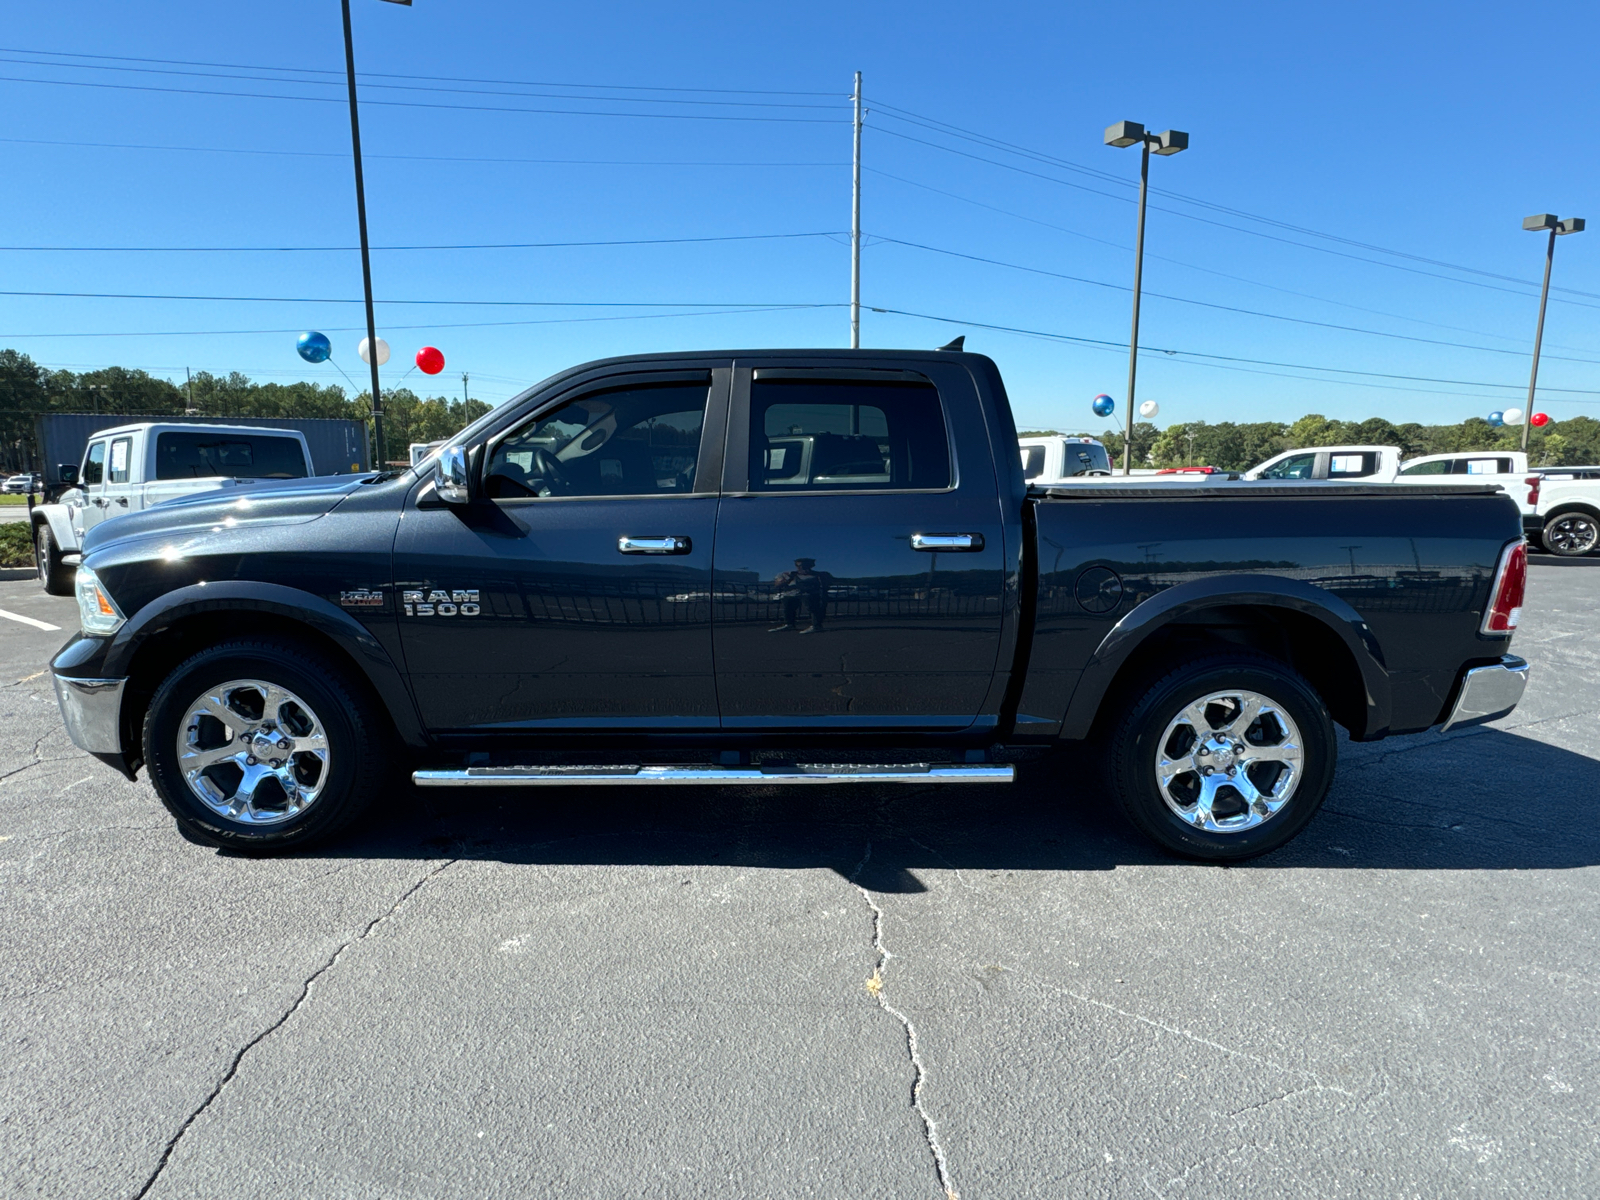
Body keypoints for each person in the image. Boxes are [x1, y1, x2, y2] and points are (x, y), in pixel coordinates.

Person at [769, 557, 834, 633]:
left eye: (805, 565)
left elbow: (827, 584)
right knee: (788, 608)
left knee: (813, 607)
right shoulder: (789, 574)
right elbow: (777, 584)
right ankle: (789, 624)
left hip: (809, 594)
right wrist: (787, 580)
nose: (801, 568)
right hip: (791, 594)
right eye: (799, 565)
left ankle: (816, 625)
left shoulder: (819, 574)